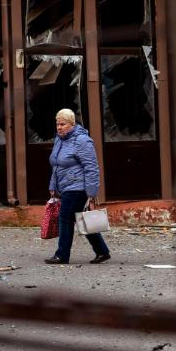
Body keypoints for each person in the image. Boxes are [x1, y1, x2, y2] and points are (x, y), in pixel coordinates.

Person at [45, 109, 111, 265]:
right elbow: (56, 165)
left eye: (63, 124)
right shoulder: (59, 140)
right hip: (65, 186)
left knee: (65, 218)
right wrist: (53, 185)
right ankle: (102, 251)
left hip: (78, 187)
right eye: (57, 124)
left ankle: (62, 255)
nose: (59, 127)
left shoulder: (82, 140)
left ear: (72, 124)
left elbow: (91, 167)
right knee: (81, 218)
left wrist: (92, 192)